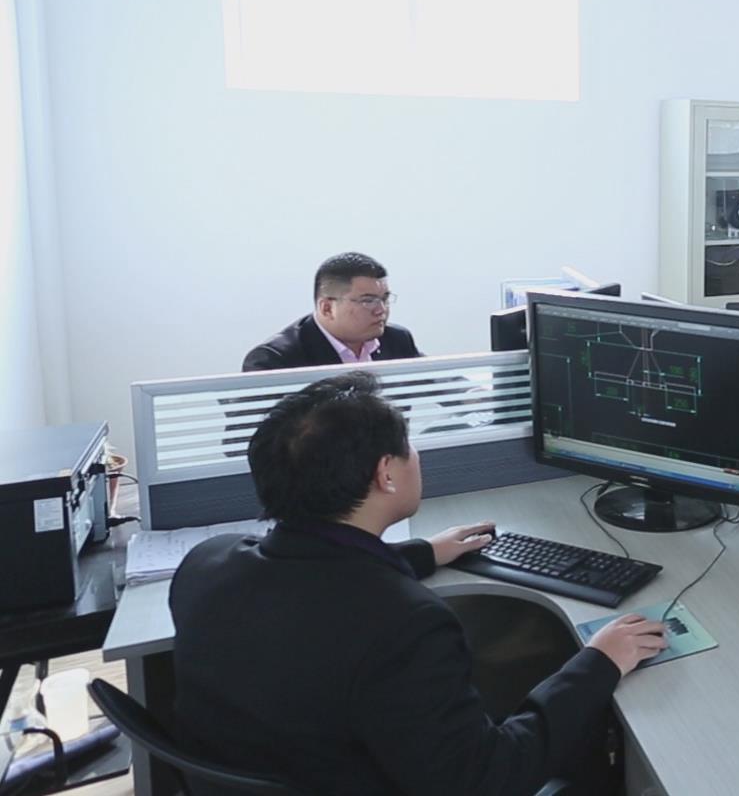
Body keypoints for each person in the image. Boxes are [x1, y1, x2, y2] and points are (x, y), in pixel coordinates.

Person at [169, 372, 667, 795]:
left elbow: (313, 583)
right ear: (386, 474)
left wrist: (423, 552)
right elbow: (488, 778)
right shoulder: (404, 623)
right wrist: (599, 662)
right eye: (408, 446)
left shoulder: (206, 563)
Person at [244, 253, 422, 371]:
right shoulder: (275, 360)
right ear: (327, 308)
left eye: (384, 299)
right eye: (368, 301)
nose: (381, 310)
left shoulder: (397, 341)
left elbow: (439, 390)